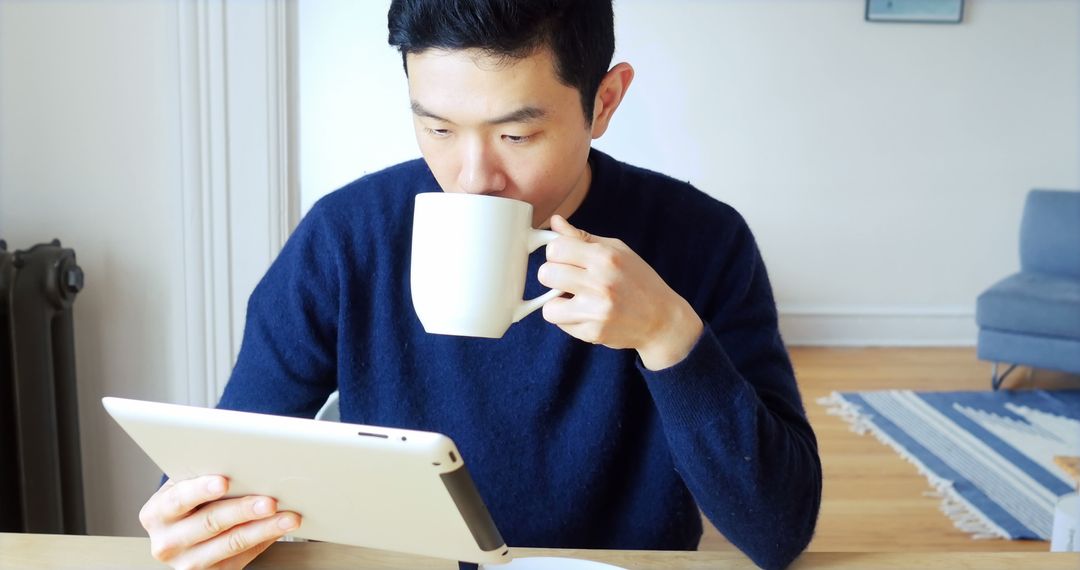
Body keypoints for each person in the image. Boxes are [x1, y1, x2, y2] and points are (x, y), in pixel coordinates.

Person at [137, 1, 822, 569]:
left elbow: (778, 531)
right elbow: (237, 450)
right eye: (436, 128)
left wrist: (669, 336)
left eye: (516, 136)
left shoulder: (701, 240)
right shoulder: (348, 237)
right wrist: (196, 516)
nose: (470, 176)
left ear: (604, 101)